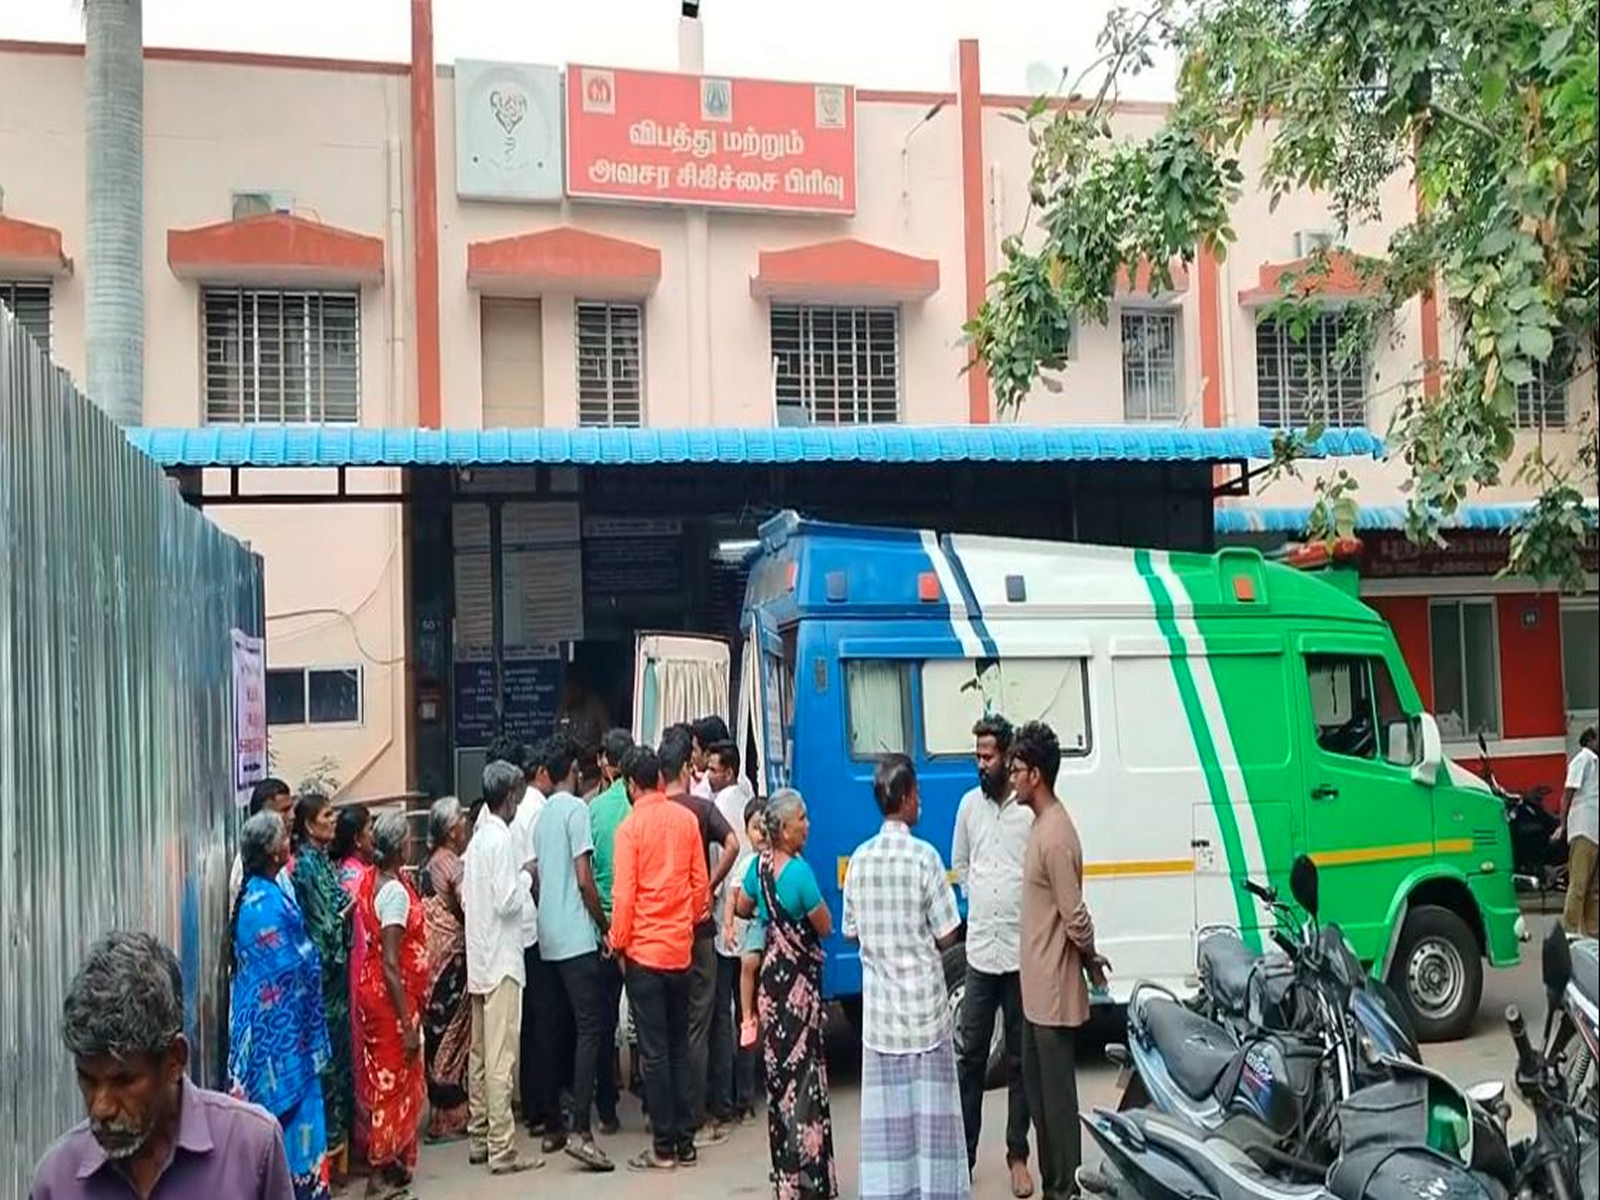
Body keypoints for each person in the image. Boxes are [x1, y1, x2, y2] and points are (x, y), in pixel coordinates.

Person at [33, 930, 294, 1200]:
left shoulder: (252, 1151)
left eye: (123, 1080)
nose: (102, 1108)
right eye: (88, 1080)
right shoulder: (55, 1182)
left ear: (174, 1060)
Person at [843, 755, 968, 1200]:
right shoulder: (925, 858)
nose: (920, 801)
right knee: (932, 1125)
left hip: (881, 1020)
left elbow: (851, 929)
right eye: (917, 793)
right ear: (907, 797)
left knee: (889, 1130)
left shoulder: (859, 860)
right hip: (925, 1016)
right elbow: (949, 934)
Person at [1012, 721, 1108, 1200]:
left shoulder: (1055, 835)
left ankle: (1066, 1189)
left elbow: (1075, 915)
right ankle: (1054, 1186)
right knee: (1041, 1104)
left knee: (1057, 1105)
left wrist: (1090, 959)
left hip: (1052, 992)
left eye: (1017, 769)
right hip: (1035, 992)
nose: (1012, 777)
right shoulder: (1039, 825)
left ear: (1036, 775)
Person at [734, 788, 837, 1200]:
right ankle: (811, 1180)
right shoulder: (799, 874)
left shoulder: (757, 869)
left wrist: (768, 915)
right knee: (806, 1078)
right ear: (785, 829)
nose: (807, 825)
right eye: (802, 819)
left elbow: (742, 908)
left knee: (779, 1083)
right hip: (799, 988)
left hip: (771, 984)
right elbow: (825, 926)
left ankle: (785, 1179)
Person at [609, 745, 709, 1171]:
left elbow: (624, 896)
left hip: (644, 953)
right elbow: (700, 887)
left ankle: (663, 1147)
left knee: (654, 1053)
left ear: (632, 785)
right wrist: (685, 922)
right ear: (660, 779)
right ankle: (686, 1142)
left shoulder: (629, 830)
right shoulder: (686, 821)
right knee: (679, 1047)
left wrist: (617, 941)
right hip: (680, 950)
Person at [229, 811, 334, 1200]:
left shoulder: (267, 892)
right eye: (284, 837)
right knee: (287, 1122)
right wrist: (313, 957)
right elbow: (287, 965)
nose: (290, 842)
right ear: (274, 851)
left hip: (289, 1034)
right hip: (276, 1037)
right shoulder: (262, 904)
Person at [951, 715, 1035, 1198]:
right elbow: (961, 864)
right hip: (981, 953)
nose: (981, 764)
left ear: (1007, 756)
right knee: (970, 1058)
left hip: (1021, 954)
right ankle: (962, 1156)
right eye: (977, 756)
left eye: (988, 756)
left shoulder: (1027, 811)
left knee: (1021, 1061)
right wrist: (980, 900)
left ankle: (1017, 1155)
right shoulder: (968, 807)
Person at [531, 735, 616, 1171]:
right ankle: (582, 1129)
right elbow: (584, 878)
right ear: (575, 772)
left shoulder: (541, 815)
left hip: (548, 933)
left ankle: (554, 1124)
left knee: (553, 1029)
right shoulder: (577, 810)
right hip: (576, 936)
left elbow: (538, 873)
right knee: (590, 1029)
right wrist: (604, 925)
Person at [661, 724, 740, 1147]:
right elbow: (733, 844)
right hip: (699, 926)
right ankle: (700, 1113)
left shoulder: (650, 814)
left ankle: (672, 1113)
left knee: (669, 1027)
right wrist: (710, 884)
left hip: (661, 931)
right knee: (700, 1023)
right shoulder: (700, 808)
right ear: (686, 768)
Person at [463, 760, 541, 1175]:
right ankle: (502, 1147)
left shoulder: (478, 838)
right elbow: (508, 900)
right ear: (509, 797)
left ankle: (479, 1136)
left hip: (481, 957)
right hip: (502, 961)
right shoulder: (501, 840)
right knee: (500, 1057)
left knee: (480, 1054)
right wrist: (527, 876)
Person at [354, 810, 429, 1199]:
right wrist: (407, 1024)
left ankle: (391, 1162)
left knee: (387, 1076)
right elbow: (391, 962)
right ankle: (380, 1171)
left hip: (375, 991)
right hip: (389, 1000)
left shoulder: (372, 878)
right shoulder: (395, 893)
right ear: (401, 846)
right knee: (392, 1080)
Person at [288, 793, 353, 1183]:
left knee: (340, 1064)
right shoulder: (307, 869)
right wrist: (347, 913)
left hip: (336, 984)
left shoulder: (323, 863)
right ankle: (328, 1162)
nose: (334, 820)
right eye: (327, 815)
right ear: (310, 825)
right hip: (323, 984)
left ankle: (340, 1156)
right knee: (327, 1069)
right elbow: (325, 927)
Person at [588, 727, 636, 1133]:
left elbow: (586, 872)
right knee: (649, 1018)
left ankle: (607, 1109)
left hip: (604, 927)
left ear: (608, 764)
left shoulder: (595, 809)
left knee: (604, 1020)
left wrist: (604, 927)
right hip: (642, 927)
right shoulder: (641, 807)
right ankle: (655, 1105)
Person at [420, 797, 472, 1143]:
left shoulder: (426, 864)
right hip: (451, 963)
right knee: (451, 1034)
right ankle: (450, 1117)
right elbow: (468, 907)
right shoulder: (452, 866)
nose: (466, 825)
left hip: (430, 963)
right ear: (452, 831)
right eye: (461, 821)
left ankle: (439, 1113)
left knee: (436, 1034)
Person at [707, 739, 753, 1129]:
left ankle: (724, 1098)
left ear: (730, 771)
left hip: (726, 917)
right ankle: (746, 1095)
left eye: (714, 769)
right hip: (749, 920)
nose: (709, 775)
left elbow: (721, 857)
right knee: (747, 1011)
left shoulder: (719, 806)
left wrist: (709, 886)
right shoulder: (747, 798)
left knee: (723, 1013)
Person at [333, 805, 375, 1165]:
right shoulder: (357, 877)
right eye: (369, 828)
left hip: (356, 970)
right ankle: (367, 1138)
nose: (373, 834)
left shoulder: (347, 872)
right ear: (358, 838)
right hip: (361, 970)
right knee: (364, 1053)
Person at [721, 795, 768, 1122]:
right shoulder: (746, 864)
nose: (761, 833)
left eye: (765, 826)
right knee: (745, 1016)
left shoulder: (781, 862)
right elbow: (732, 898)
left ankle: (748, 1094)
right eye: (755, 827)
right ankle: (743, 1096)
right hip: (748, 939)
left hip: (769, 941)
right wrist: (727, 927)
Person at [1559, 726, 1599, 937]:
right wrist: (1562, 825)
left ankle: (1592, 935)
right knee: (1579, 886)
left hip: (1595, 833)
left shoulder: (1595, 762)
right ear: (1591, 739)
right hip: (1583, 831)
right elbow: (1567, 794)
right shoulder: (1583, 759)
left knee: (1593, 890)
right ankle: (1570, 932)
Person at [229, 777, 293, 904]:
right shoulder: (247, 866)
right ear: (263, 817)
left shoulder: (274, 864)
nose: (292, 816)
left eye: (291, 809)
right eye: (284, 810)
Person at [690, 715, 732, 799]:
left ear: (707, 754)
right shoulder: (744, 781)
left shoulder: (704, 790)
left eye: (694, 750)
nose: (691, 755)